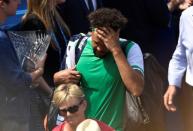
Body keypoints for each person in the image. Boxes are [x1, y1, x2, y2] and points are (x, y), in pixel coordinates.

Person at [54, 8, 144, 131]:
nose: (100, 48)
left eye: (105, 45)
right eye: (96, 43)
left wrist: (115, 50)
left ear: (117, 34)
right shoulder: (77, 45)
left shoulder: (129, 49)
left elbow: (136, 89)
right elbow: (65, 90)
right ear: (92, 31)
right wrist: (56, 79)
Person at [0, 0, 46, 130]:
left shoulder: (4, 33)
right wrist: (38, 72)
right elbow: (17, 81)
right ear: (2, 4)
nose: (19, 2)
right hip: (10, 116)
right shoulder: (1, 40)